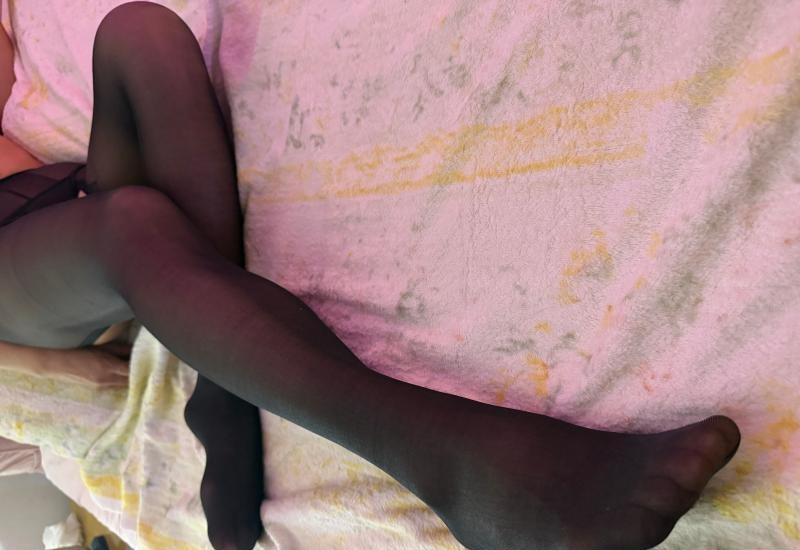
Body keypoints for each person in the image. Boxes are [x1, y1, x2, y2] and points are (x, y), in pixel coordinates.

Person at [0, 3, 742, 550]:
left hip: (60, 201)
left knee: (139, 29)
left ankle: (221, 392)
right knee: (130, 223)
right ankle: (452, 463)